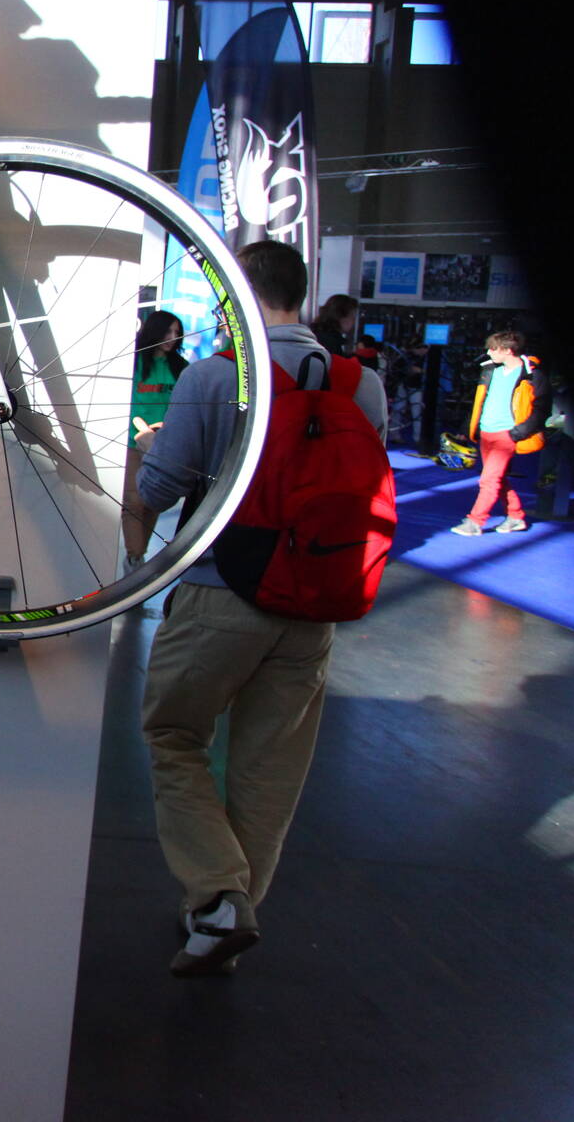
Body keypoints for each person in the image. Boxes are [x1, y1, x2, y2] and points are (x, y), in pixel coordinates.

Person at [134, 240, 387, 978]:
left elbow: (159, 488)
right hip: (314, 603)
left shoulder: (216, 376)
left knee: (174, 734)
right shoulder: (361, 384)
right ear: (301, 293)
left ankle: (217, 898)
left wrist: (153, 446)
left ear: (236, 292)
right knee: (271, 770)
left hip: (221, 593)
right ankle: (223, 920)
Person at [450, 330, 550, 536]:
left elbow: (542, 409)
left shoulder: (533, 375)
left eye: (493, 348)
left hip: (507, 434)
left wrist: (518, 432)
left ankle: (475, 521)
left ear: (508, 350)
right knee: (498, 478)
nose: (489, 352)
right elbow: (480, 402)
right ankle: (515, 516)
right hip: (486, 432)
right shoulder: (490, 370)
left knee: (488, 480)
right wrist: (467, 429)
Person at [122, 310, 187, 572]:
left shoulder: (181, 367)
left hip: (163, 443)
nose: (172, 337)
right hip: (131, 441)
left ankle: (139, 555)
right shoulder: (133, 363)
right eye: (167, 331)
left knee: (153, 501)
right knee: (133, 501)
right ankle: (134, 557)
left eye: (176, 332)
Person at [312, 293, 360, 358]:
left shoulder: (319, 335)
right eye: (352, 316)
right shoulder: (330, 342)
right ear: (341, 316)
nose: (354, 321)